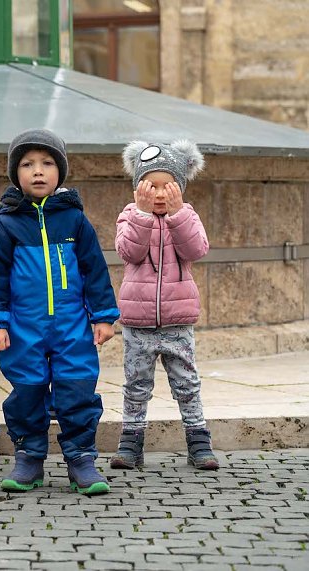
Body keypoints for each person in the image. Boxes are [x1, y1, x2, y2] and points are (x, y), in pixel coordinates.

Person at [0, 129, 119, 495]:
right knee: (27, 391)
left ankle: (81, 459)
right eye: (27, 164)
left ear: (60, 172)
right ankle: (28, 457)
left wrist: (102, 315)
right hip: (24, 328)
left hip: (72, 326)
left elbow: (94, 269)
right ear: (15, 173)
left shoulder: (74, 220)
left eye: (46, 163)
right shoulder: (5, 223)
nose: (37, 171)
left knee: (77, 389)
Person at [111, 140, 219, 471]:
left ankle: (198, 440)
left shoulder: (186, 215)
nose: (159, 194)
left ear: (180, 188)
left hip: (177, 320)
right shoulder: (129, 215)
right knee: (136, 382)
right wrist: (142, 214)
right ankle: (131, 441)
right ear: (137, 189)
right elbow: (128, 251)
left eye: (167, 186)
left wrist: (178, 213)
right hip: (138, 321)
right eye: (151, 185)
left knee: (187, 382)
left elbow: (195, 250)